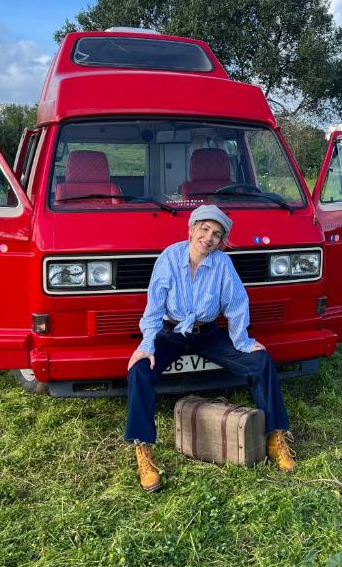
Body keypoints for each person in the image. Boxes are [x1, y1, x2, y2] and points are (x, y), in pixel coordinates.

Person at [125, 204, 295, 491]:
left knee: (261, 361)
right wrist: (147, 344)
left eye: (216, 234)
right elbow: (153, 307)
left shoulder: (222, 264)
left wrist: (242, 342)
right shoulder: (169, 258)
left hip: (207, 333)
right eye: (204, 229)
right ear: (191, 229)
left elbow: (237, 303)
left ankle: (274, 438)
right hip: (172, 332)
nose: (209, 237)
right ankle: (144, 452)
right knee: (141, 370)